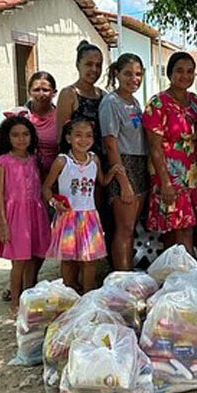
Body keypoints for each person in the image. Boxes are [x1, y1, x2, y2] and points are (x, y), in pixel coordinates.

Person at [43, 119, 121, 293]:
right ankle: (69, 293)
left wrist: (113, 172)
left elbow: (101, 181)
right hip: (68, 218)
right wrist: (54, 203)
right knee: (69, 260)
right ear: (69, 138)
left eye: (88, 136)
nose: (84, 140)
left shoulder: (94, 159)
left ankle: (88, 294)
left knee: (89, 260)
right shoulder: (62, 161)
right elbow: (46, 187)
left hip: (89, 217)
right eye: (78, 135)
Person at [143, 51, 197, 254]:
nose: (185, 76)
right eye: (179, 71)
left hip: (192, 174)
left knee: (179, 229)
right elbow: (154, 147)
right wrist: (165, 182)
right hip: (169, 175)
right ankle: (188, 275)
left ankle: (176, 275)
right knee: (181, 228)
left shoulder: (195, 101)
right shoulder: (158, 104)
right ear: (170, 73)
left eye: (190, 71)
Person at [0, 112, 51, 316]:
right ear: (7, 137)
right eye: (15, 135)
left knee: (35, 256)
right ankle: (15, 301)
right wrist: (3, 223)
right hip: (15, 217)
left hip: (36, 212)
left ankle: (29, 294)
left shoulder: (35, 159)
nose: (21, 139)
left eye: (25, 134)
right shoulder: (3, 162)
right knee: (19, 260)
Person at [99, 54, 148, 270]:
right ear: (116, 73)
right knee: (124, 229)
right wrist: (124, 182)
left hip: (139, 165)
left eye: (138, 74)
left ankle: (127, 275)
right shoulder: (111, 102)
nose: (134, 79)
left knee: (131, 228)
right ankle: (122, 278)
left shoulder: (134, 102)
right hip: (123, 166)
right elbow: (111, 144)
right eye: (128, 73)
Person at [56, 40, 105, 154]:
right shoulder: (69, 94)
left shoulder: (103, 95)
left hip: (99, 162)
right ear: (78, 64)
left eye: (98, 65)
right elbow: (60, 136)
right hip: (76, 164)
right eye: (89, 64)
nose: (94, 69)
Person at [26, 71, 59, 176]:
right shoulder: (21, 117)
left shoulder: (61, 117)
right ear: (29, 92)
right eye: (36, 90)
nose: (41, 94)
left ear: (54, 92)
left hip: (56, 178)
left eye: (45, 90)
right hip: (27, 177)